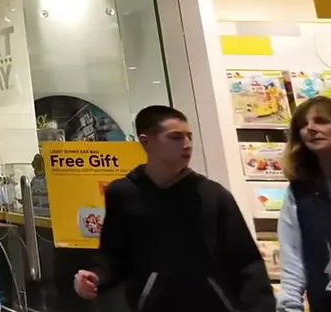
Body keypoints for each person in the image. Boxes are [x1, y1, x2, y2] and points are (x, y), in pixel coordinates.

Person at [73, 105, 273, 312]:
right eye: (176, 137)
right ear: (145, 142)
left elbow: (247, 263)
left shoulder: (213, 196)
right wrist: (95, 277)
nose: (187, 145)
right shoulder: (123, 194)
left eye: (189, 137)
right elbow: (114, 255)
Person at [279, 96, 331, 312]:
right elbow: (292, 260)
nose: (310, 128)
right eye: (303, 124)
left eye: (322, 121)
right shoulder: (299, 192)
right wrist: (289, 308)